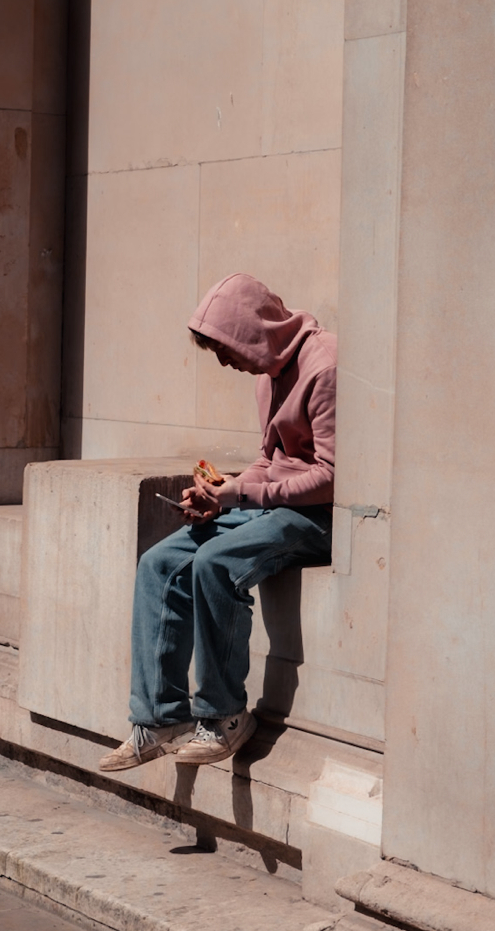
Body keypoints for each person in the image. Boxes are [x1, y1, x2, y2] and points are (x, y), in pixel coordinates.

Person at [99, 272, 336, 772]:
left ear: (254, 331)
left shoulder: (325, 367)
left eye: (227, 349)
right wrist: (222, 495)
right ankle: (160, 719)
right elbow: (270, 460)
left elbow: (334, 479)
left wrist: (242, 494)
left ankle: (224, 716)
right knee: (158, 562)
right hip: (274, 506)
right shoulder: (268, 374)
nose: (226, 362)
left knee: (215, 562)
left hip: (321, 516)